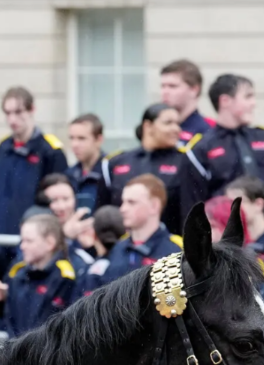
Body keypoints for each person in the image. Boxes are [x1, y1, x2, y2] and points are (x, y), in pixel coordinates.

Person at [179, 73, 264, 231]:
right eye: (248, 97)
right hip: (229, 240)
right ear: (225, 101)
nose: (253, 103)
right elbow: (193, 205)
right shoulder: (201, 148)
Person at [0, 86, 68, 235]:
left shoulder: (50, 150)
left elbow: (58, 197)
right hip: (1, 232)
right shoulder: (3, 148)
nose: (12, 119)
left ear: (32, 110)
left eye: (18, 112)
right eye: (8, 113)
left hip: (34, 234)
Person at [88, 174, 183, 292]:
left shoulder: (176, 249)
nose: (122, 209)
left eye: (131, 202)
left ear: (154, 206)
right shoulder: (118, 247)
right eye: (123, 202)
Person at [104, 103, 185, 233]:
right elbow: (105, 209)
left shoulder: (185, 161)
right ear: (148, 126)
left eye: (178, 123)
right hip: (125, 246)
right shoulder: (117, 162)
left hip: (172, 247)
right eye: (168, 123)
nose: (176, 129)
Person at [0, 214, 75, 337]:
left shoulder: (65, 276)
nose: (22, 246)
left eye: (29, 241)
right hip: (16, 352)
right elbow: (9, 318)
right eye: (22, 240)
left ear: (50, 243)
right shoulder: (16, 273)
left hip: (47, 353)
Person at [159, 58, 215, 145]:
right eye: (163, 86)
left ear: (194, 90)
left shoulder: (208, 131)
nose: (165, 92)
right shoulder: (158, 129)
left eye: (172, 86)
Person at [66, 113, 109, 212]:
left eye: (81, 138)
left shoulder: (110, 172)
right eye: (71, 138)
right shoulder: (69, 174)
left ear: (99, 140)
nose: (74, 144)